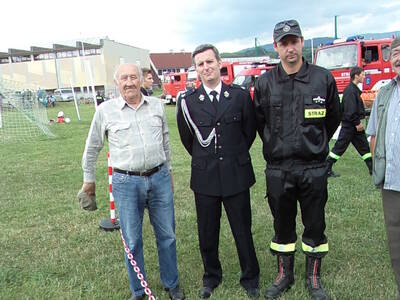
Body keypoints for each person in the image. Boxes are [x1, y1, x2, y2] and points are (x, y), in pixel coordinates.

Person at [80, 63, 185, 300]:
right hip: (126, 183)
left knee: (167, 234)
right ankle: (138, 291)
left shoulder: (157, 106)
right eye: (124, 78)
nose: (129, 82)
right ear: (117, 83)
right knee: (132, 239)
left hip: (159, 178)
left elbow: (166, 143)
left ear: (141, 80)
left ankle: (172, 283)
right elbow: (92, 147)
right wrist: (88, 180)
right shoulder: (105, 111)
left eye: (133, 77)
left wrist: (169, 172)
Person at [254, 20, 341, 300]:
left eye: (294, 42)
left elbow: (333, 118)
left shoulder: (322, 78)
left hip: (313, 168)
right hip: (279, 169)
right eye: (284, 43)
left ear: (302, 42)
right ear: (276, 47)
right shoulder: (265, 83)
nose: (289, 48)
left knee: (315, 224)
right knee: (282, 225)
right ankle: (284, 274)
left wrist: (313, 145)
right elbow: (260, 123)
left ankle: (313, 277)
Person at [176, 44, 260, 299]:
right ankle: (211, 276)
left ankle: (250, 277)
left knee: (242, 229)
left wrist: (232, 155)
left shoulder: (239, 96)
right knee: (207, 231)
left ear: (219, 63)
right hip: (205, 177)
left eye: (209, 62)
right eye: (200, 64)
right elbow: (187, 139)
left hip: (236, 173)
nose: (206, 67)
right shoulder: (189, 102)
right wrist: (209, 158)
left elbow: (249, 132)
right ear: (196, 69)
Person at [366, 37, 400, 300]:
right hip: (391, 182)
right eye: (394, 53)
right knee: (396, 243)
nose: (397, 57)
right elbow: (374, 134)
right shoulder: (384, 93)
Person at [327, 67, 372, 177]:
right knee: (339, 148)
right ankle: (327, 168)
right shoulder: (350, 91)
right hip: (350, 126)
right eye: (362, 74)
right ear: (356, 76)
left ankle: (372, 169)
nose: (364, 76)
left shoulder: (353, 90)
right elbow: (350, 111)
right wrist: (357, 123)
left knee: (364, 147)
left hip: (353, 125)